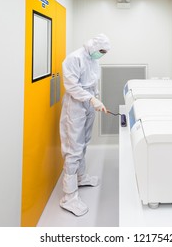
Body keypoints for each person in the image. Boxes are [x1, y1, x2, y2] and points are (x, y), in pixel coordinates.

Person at [59, 33, 111, 216]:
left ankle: (80, 177)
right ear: (93, 46)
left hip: (88, 102)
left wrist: (95, 98)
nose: (102, 54)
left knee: (84, 141)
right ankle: (69, 196)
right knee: (73, 146)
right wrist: (90, 99)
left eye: (105, 52)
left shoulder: (93, 59)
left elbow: (93, 82)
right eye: (101, 51)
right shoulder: (74, 58)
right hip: (75, 103)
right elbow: (71, 86)